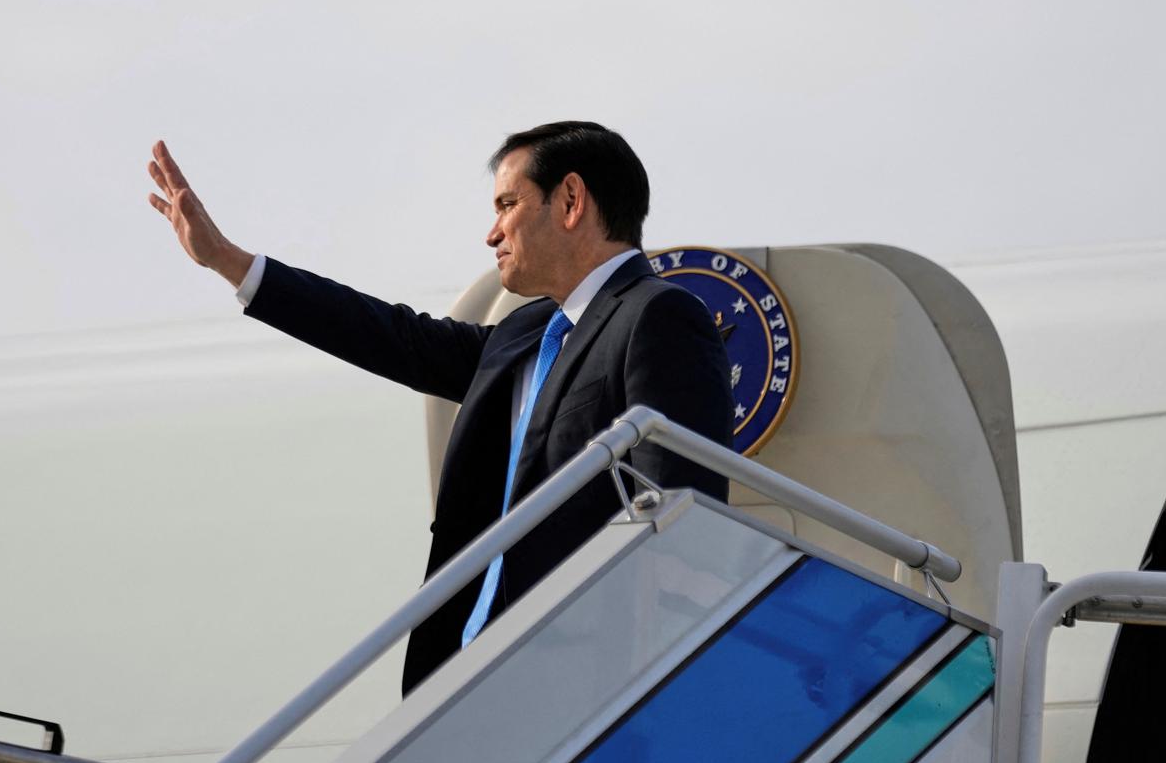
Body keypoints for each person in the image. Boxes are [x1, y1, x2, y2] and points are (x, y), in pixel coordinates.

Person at [146, 121, 734, 693]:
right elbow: (389, 336)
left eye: (507, 204)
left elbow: (680, 518)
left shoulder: (656, 316)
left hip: (581, 681)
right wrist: (229, 261)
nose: (492, 232)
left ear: (571, 200)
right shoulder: (523, 333)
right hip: (468, 672)